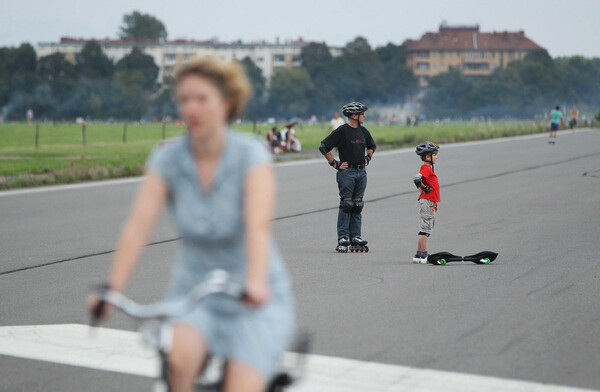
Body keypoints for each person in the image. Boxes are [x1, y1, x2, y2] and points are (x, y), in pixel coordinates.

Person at [87, 56, 295, 392]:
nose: (191, 108)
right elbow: (138, 227)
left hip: (250, 293)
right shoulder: (168, 159)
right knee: (178, 369)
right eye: (185, 99)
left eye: (201, 99)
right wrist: (113, 289)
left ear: (226, 103)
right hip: (195, 291)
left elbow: (258, 226)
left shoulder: (250, 155)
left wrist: (256, 283)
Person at [319, 102, 376, 252]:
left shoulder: (364, 131)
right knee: (347, 204)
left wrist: (368, 157)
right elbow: (324, 146)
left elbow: (372, 146)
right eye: (362, 113)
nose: (364, 116)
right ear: (354, 115)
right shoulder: (342, 131)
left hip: (361, 172)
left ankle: (356, 236)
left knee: (357, 205)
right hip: (347, 173)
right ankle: (343, 237)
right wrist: (334, 163)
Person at [412, 141, 440, 264]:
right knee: (425, 230)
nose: (436, 157)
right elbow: (416, 178)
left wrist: (423, 188)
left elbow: (419, 180)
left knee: (424, 228)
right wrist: (423, 187)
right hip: (428, 202)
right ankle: (424, 255)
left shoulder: (427, 169)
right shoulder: (426, 169)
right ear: (427, 157)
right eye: (434, 155)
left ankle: (418, 254)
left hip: (429, 201)